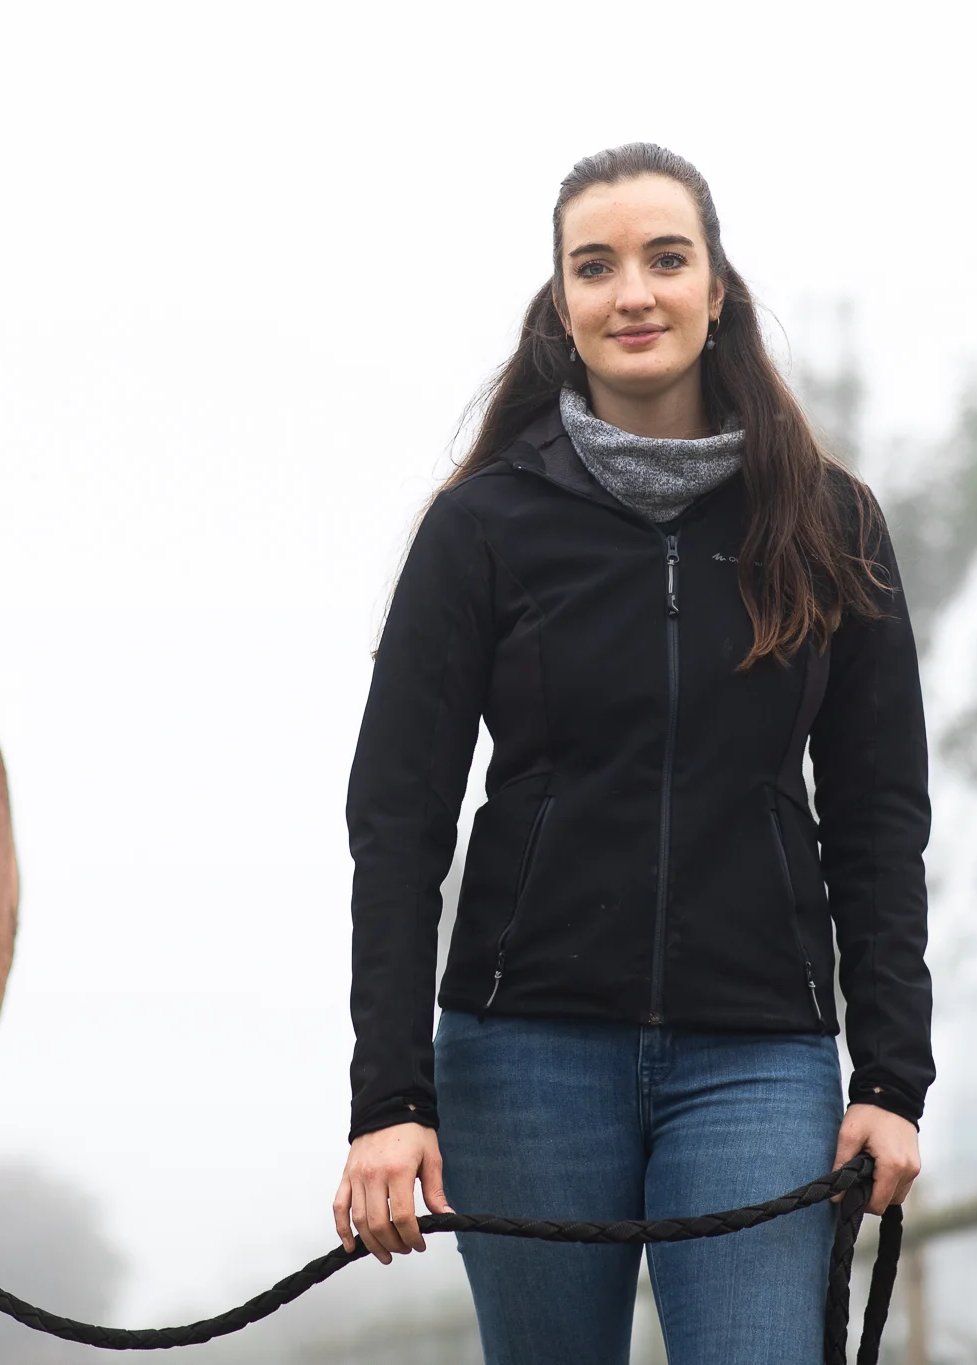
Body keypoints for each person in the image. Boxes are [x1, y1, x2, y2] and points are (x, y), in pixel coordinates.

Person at [330, 143, 931, 1365]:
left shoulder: (828, 524)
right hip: (523, 1059)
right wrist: (387, 1102)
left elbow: (876, 820)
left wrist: (890, 1078)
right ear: (561, 306)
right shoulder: (480, 529)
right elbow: (397, 826)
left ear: (717, 291)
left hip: (758, 1061)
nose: (631, 293)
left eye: (665, 259)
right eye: (593, 267)